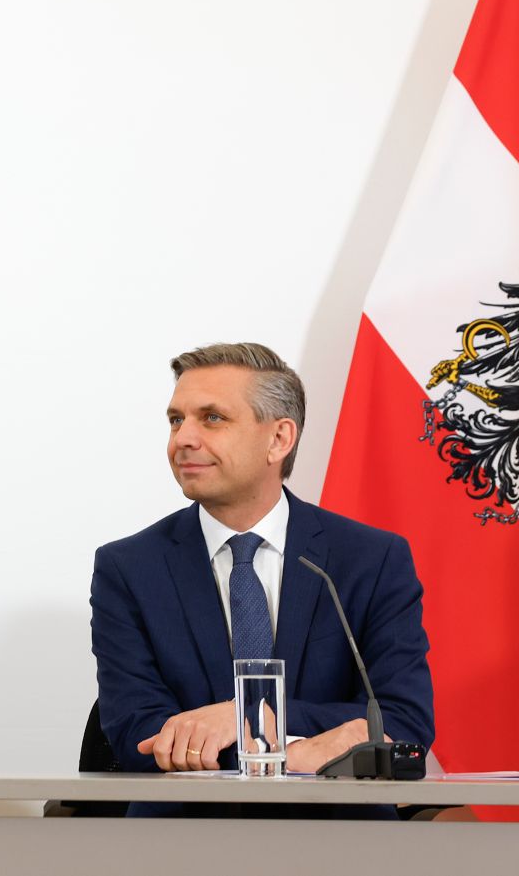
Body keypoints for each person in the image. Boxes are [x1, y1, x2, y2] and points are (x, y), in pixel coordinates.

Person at [90, 343, 433, 813]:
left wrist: (244, 720)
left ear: (279, 439)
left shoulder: (371, 559)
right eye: (175, 420)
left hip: (344, 838)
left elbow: (402, 721)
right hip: (182, 839)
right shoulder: (128, 568)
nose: (182, 439)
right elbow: (141, 736)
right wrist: (298, 752)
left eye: (211, 418)